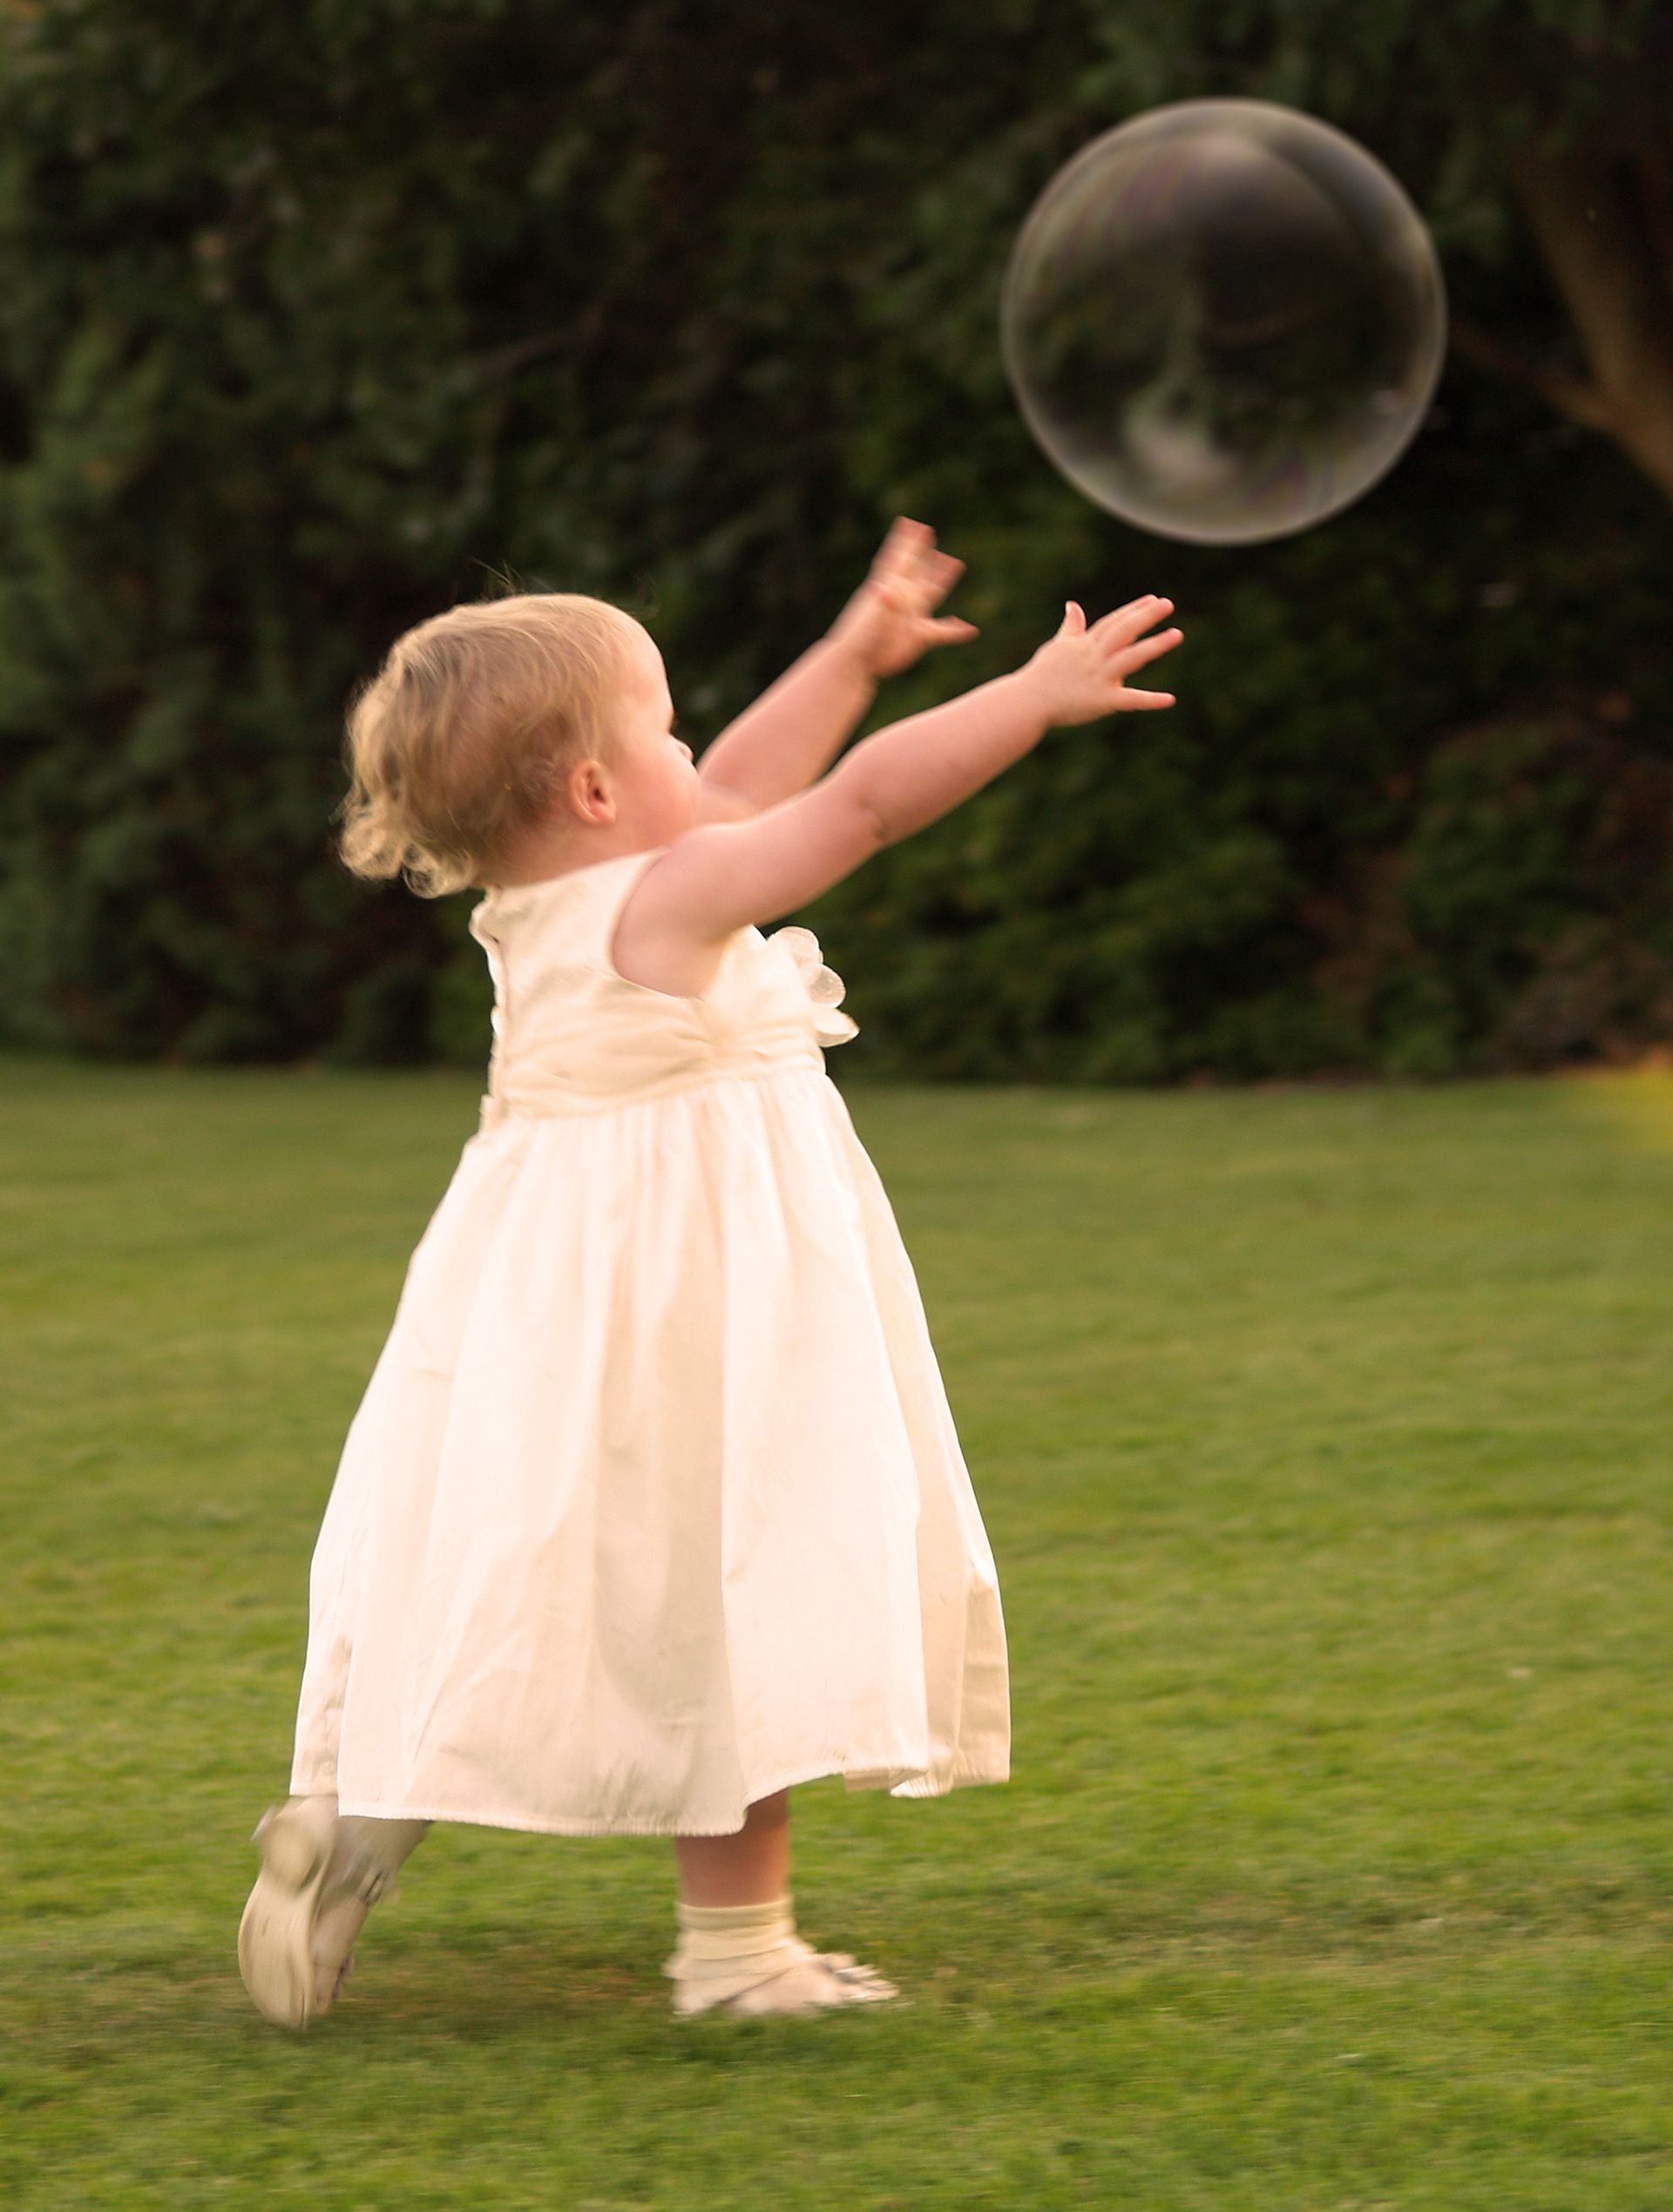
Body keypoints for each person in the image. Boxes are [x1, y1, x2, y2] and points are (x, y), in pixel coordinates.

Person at [237, 520, 1182, 2026]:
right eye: (663, 728)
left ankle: (348, 1832)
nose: (704, 755)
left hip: (547, 1303)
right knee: (724, 1579)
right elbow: (857, 808)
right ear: (600, 791)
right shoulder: (663, 909)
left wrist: (852, 653)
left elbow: (745, 782)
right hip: (696, 1314)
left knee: (550, 1572)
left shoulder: (579, 904)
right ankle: (738, 1959)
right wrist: (1029, 694)